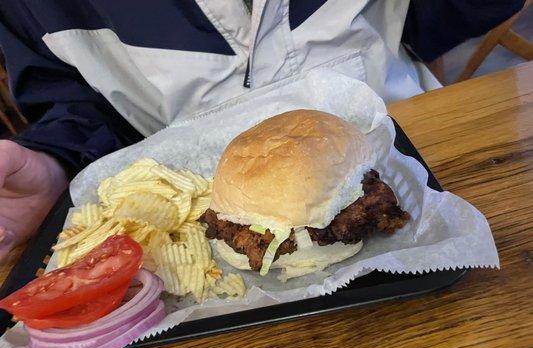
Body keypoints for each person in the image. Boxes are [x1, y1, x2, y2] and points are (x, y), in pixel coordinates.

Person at [0, 0, 523, 262]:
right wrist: (57, 164)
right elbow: (75, 110)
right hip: (211, 237)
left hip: (433, 166)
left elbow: (438, 16)